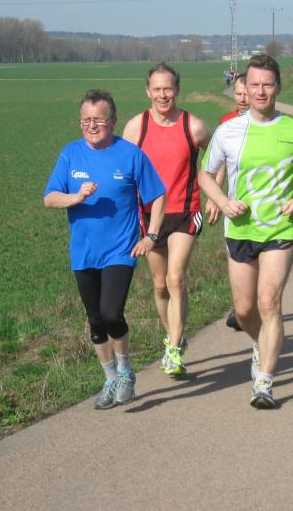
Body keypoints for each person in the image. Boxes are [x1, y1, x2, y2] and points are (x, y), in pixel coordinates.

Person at [198, 54, 293, 409]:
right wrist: (223, 202)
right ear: (245, 88)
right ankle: (261, 342)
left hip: (280, 229)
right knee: (244, 310)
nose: (261, 91)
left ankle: (264, 382)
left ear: (278, 87)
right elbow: (206, 175)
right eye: (254, 85)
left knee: (269, 302)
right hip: (240, 230)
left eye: (267, 84)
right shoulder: (228, 131)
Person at [44, 89, 165, 410]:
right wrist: (74, 197)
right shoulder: (70, 154)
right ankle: (110, 378)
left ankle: (125, 371)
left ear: (113, 121)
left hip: (120, 250)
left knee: (112, 313)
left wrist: (151, 235)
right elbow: (49, 198)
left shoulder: (131, 155)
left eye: (98, 119)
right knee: (95, 320)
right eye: (86, 120)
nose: (92, 125)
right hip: (83, 252)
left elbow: (157, 195)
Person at [122, 63, 211, 378]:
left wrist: (214, 192)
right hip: (149, 216)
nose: (163, 95)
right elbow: (124, 169)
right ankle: (174, 334)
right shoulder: (136, 127)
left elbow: (218, 156)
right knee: (160, 285)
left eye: (168, 88)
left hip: (185, 211)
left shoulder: (193, 126)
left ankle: (173, 349)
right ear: (148, 91)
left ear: (177, 90)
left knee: (176, 279)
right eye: (157, 89)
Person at [215, 73, 248, 331]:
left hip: (267, 205)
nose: (243, 98)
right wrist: (216, 197)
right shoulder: (225, 123)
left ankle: (250, 306)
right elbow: (220, 164)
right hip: (235, 204)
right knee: (234, 255)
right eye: (238, 93)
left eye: (247, 92)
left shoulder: (271, 124)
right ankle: (241, 305)